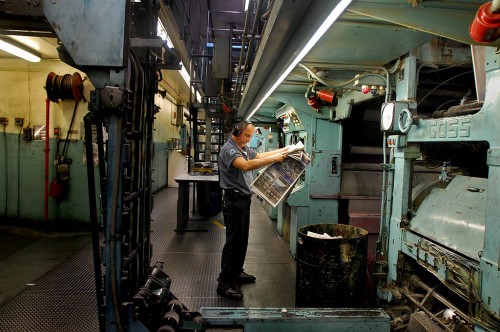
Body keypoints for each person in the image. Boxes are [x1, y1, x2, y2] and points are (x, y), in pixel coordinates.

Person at [217, 120, 289, 300]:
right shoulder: (229, 150)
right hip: (233, 201)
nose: (248, 140)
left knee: (242, 240)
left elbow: (260, 156)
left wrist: (287, 150)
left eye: (251, 136)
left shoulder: (242, 148)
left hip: (242, 200)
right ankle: (224, 283)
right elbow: (246, 165)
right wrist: (274, 159)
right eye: (247, 135)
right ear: (236, 131)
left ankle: (237, 272)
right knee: (233, 242)